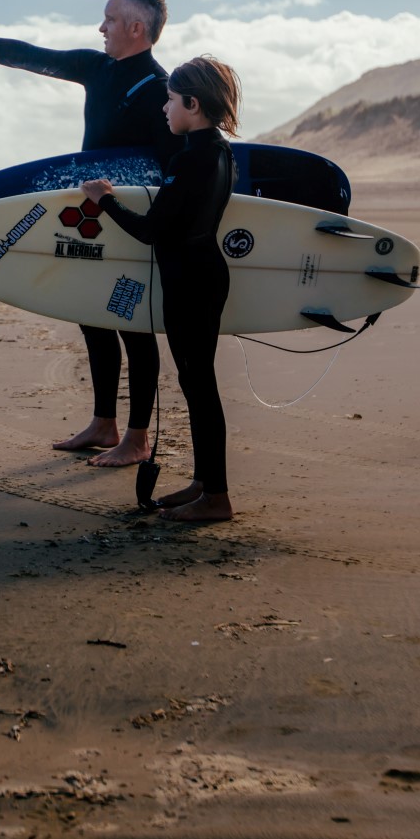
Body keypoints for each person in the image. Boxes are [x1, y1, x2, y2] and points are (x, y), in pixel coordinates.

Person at [0, 0, 181, 468]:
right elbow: (31, 56)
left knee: (133, 327)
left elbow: (170, 170)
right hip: (92, 216)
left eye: (110, 19)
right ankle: (104, 423)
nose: (101, 28)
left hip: (132, 221)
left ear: (136, 28)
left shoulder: (159, 90)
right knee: (90, 313)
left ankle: (137, 437)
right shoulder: (97, 69)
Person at [80, 55, 242, 523]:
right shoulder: (219, 150)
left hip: (190, 281)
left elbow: (153, 230)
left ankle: (217, 498)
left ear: (192, 103)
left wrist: (104, 200)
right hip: (201, 274)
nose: (164, 109)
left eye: (170, 101)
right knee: (197, 385)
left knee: (200, 386)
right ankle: (204, 484)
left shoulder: (190, 158)